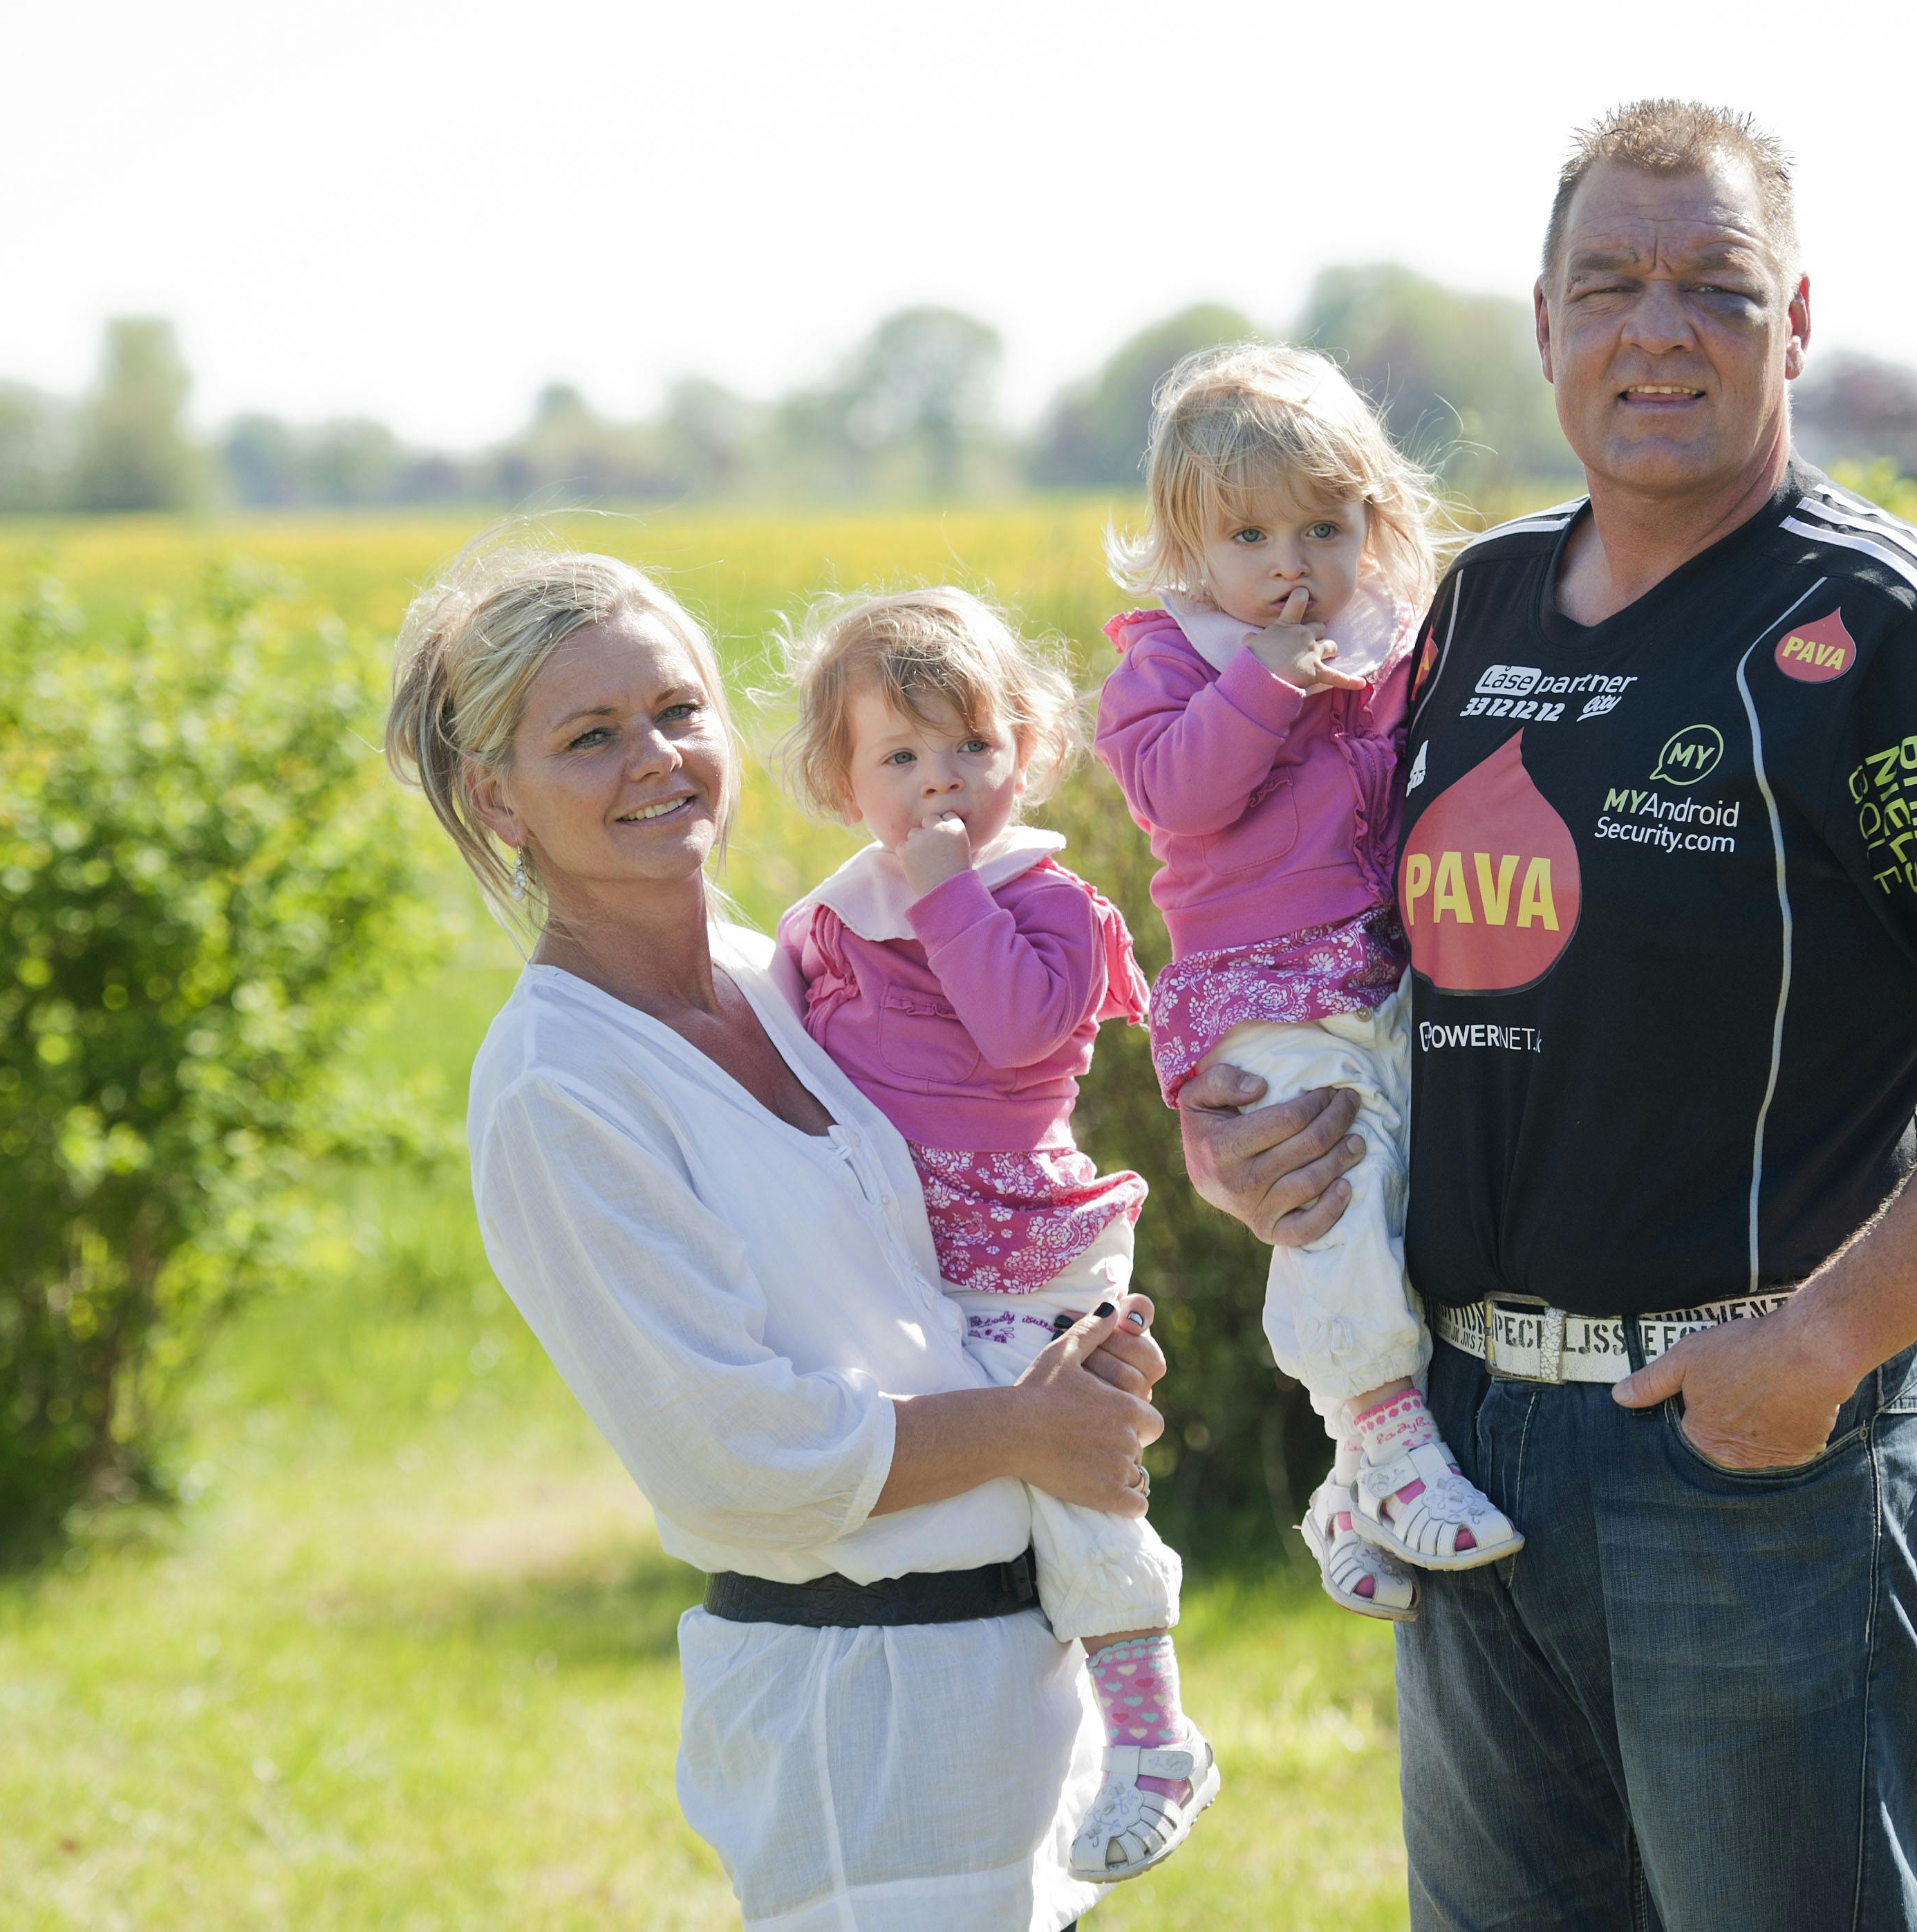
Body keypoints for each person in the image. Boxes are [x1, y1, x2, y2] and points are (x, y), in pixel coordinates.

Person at [1175, 101, 1917, 1931]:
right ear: (1545, 321)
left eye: (1713, 285)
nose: (1658, 328)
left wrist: (1816, 1348)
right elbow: (1326, 941)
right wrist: (1247, 1128)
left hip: (1747, 1456)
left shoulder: (1890, 624)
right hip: (1465, 1440)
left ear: (1793, 321)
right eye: (1609, 282)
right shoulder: (1466, 610)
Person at [388, 546, 1169, 1932]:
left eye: (677, 711)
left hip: (1015, 1692)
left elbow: (922, 1266)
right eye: (589, 737)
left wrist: (1075, 1360)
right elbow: (737, 1459)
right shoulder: (557, 1085)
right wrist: (1018, 1430)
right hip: (857, 1726)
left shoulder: (788, 977)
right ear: (495, 794)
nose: (657, 759)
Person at [770, 586, 1215, 1884]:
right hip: (907, 1252)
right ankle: (1005, 1768)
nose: (942, 785)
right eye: (900, 759)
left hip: (1030, 1242)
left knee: (1070, 1474)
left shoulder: (1047, 904)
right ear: (842, 779)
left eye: (972, 747)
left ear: (1029, 747)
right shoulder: (833, 917)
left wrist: (948, 889)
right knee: (962, 1505)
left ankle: (1155, 1735)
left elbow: (1021, 1029)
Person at [1093, 344, 1520, 1625]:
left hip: (1384, 972)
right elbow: (1174, 792)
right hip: (1259, 989)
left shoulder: (1385, 642)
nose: (1294, 564)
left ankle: (1348, 1487)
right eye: (1253, 535)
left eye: (1326, 528)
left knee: (1391, 1184)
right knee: (1327, 1186)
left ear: (1372, 522)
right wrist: (1262, 684)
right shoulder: (1178, 662)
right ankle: (1385, 1430)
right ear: (1190, 546)